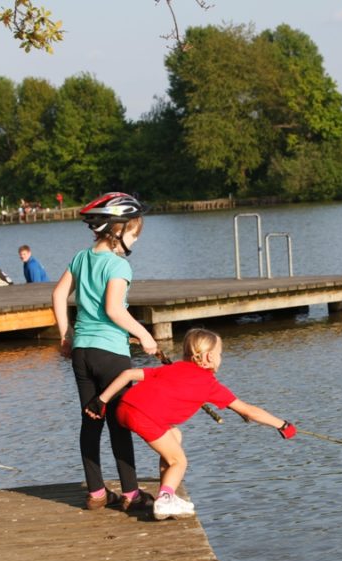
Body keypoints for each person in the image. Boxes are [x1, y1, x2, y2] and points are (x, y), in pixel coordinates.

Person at [86, 328, 296, 520]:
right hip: (143, 416)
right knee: (179, 461)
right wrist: (282, 425)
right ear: (209, 357)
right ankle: (165, 500)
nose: (221, 358)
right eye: (220, 354)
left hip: (124, 407)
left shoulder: (173, 368)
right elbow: (249, 411)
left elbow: (129, 374)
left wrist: (101, 401)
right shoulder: (210, 384)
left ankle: (166, 494)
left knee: (174, 437)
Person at [52, 192, 159, 512]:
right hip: (111, 354)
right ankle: (130, 494)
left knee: (90, 420)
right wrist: (144, 335)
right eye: (134, 235)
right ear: (118, 230)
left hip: (82, 352)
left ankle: (97, 492)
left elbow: (58, 295)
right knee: (119, 422)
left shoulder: (80, 258)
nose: (135, 242)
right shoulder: (119, 266)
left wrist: (65, 336)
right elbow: (114, 310)